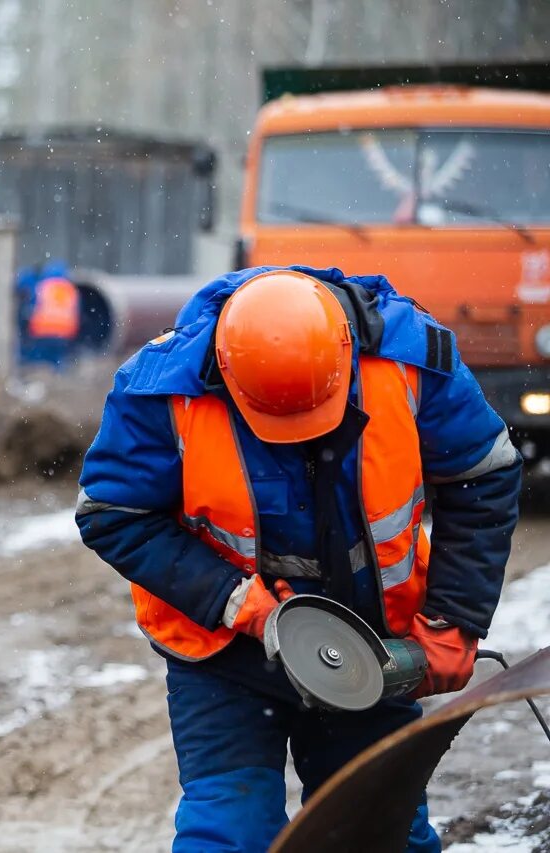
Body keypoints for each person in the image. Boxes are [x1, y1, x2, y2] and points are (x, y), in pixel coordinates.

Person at [76, 266, 521, 852]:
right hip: (223, 652)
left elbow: (482, 477)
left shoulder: (413, 362)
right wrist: (239, 603)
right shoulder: (159, 389)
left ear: (346, 355)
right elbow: (112, 514)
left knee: (379, 829)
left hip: (369, 648)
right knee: (231, 833)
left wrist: (454, 620)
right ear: (226, 375)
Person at [16, 262, 81, 372]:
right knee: (57, 360)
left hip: (42, 331)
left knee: (37, 359)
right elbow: (78, 312)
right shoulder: (71, 290)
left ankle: (38, 376)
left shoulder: (42, 287)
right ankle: (58, 376)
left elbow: (31, 308)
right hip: (64, 333)